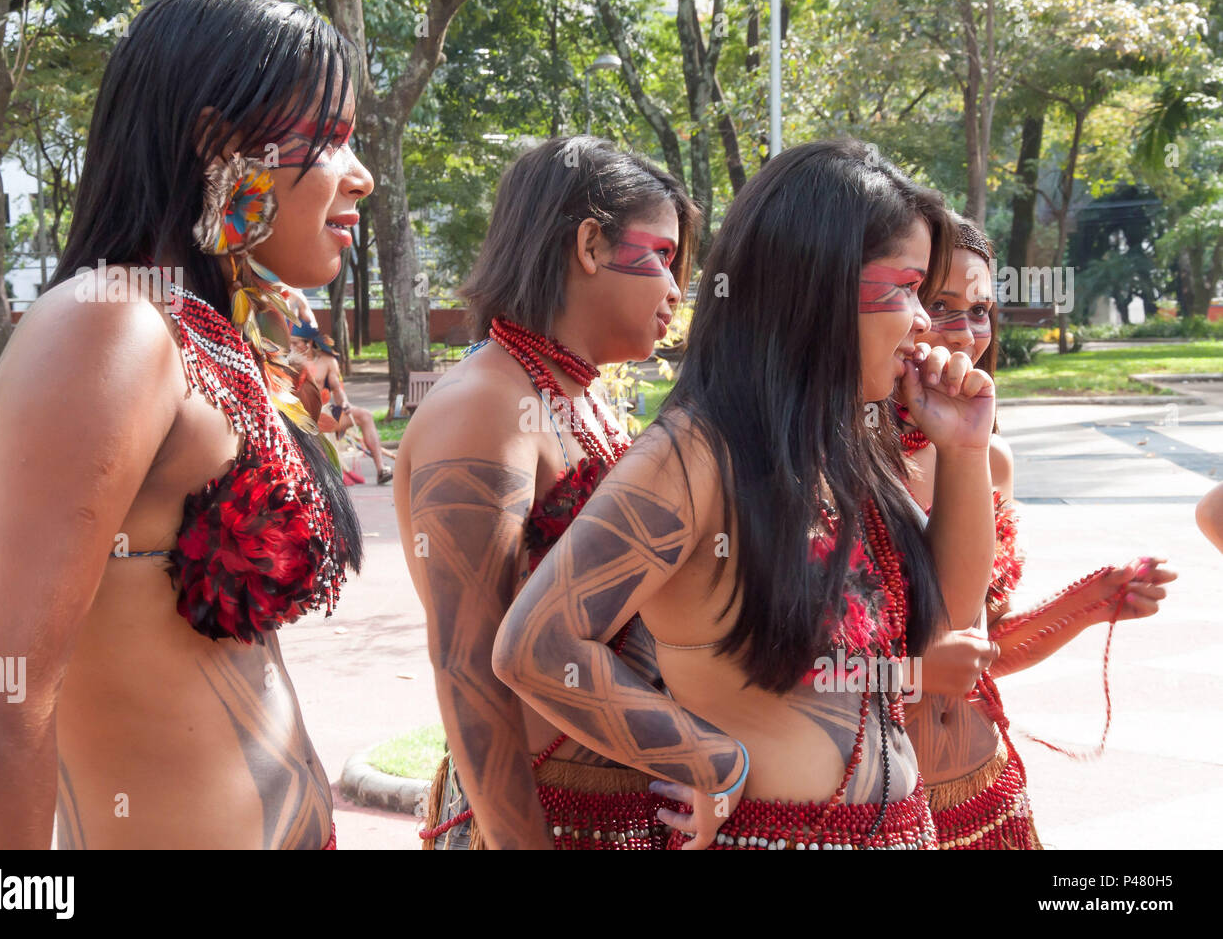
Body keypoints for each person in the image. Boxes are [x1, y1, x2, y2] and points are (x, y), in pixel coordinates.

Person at [0, 0, 369, 849]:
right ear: (216, 142)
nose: (360, 174)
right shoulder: (109, 323)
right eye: (329, 139)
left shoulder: (207, 331)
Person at [495, 138, 998, 850]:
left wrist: (966, 448)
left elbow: (951, 613)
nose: (924, 322)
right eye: (907, 287)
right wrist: (711, 762)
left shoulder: (846, 446)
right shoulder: (692, 454)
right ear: (816, 287)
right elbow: (534, 644)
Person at [394, 136, 699, 849]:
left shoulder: (581, 400)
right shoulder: (486, 405)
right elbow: (469, 665)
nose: (677, 290)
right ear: (590, 244)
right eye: (663, 256)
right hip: (540, 821)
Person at [896, 214, 1176, 849]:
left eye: (981, 309)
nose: (966, 332)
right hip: (875, 799)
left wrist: (1090, 604)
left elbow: (981, 653)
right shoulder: (835, 458)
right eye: (941, 305)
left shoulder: (987, 458)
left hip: (983, 790)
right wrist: (907, 671)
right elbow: (785, 668)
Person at [288, 320, 392, 485]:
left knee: (364, 415)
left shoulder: (327, 361)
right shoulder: (287, 362)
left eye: (295, 343)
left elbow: (337, 389)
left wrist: (344, 403)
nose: (291, 346)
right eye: (290, 343)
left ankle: (381, 469)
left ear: (309, 343)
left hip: (324, 412)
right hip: (298, 417)